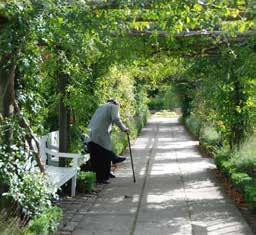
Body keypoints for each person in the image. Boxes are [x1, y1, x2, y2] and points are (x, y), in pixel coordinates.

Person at [88, 99, 129, 184]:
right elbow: (116, 119)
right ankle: (113, 159)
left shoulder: (101, 107)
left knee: (97, 157)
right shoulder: (114, 106)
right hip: (100, 134)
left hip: (90, 133)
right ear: (116, 103)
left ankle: (105, 174)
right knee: (104, 154)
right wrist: (124, 129)